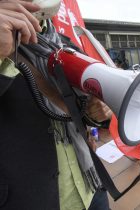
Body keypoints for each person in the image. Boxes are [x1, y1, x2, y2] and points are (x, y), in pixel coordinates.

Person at [0, 1, 111, 209]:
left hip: (90, 185)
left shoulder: (66, 44)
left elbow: (79, 111)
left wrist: (94, 115)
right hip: (31, 197)